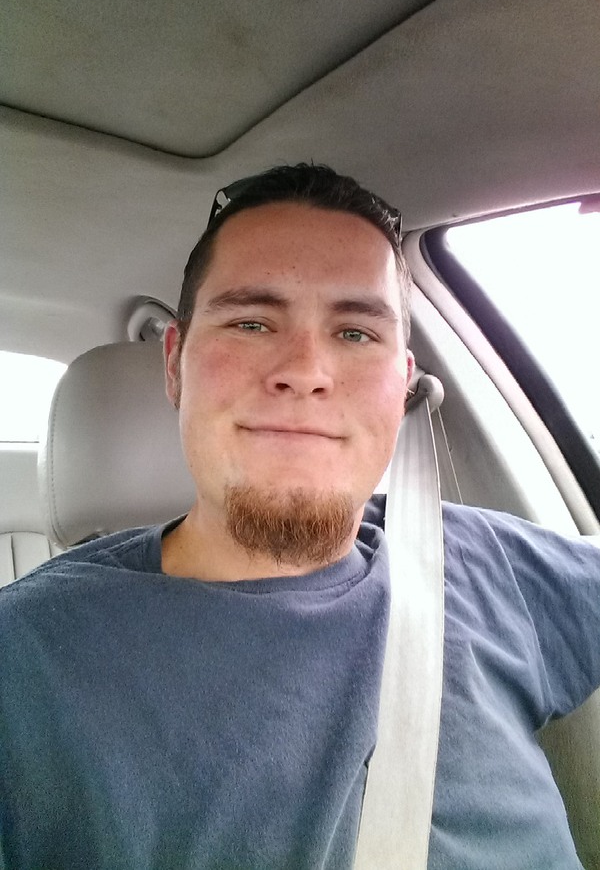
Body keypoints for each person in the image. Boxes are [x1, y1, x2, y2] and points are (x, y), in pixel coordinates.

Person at [1, 162, 600, 870]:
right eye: (252, 322)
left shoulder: (484, 560)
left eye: (356, 333)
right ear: (175, 364)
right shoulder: (26, 659)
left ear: (403, 382)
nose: (307, 370)